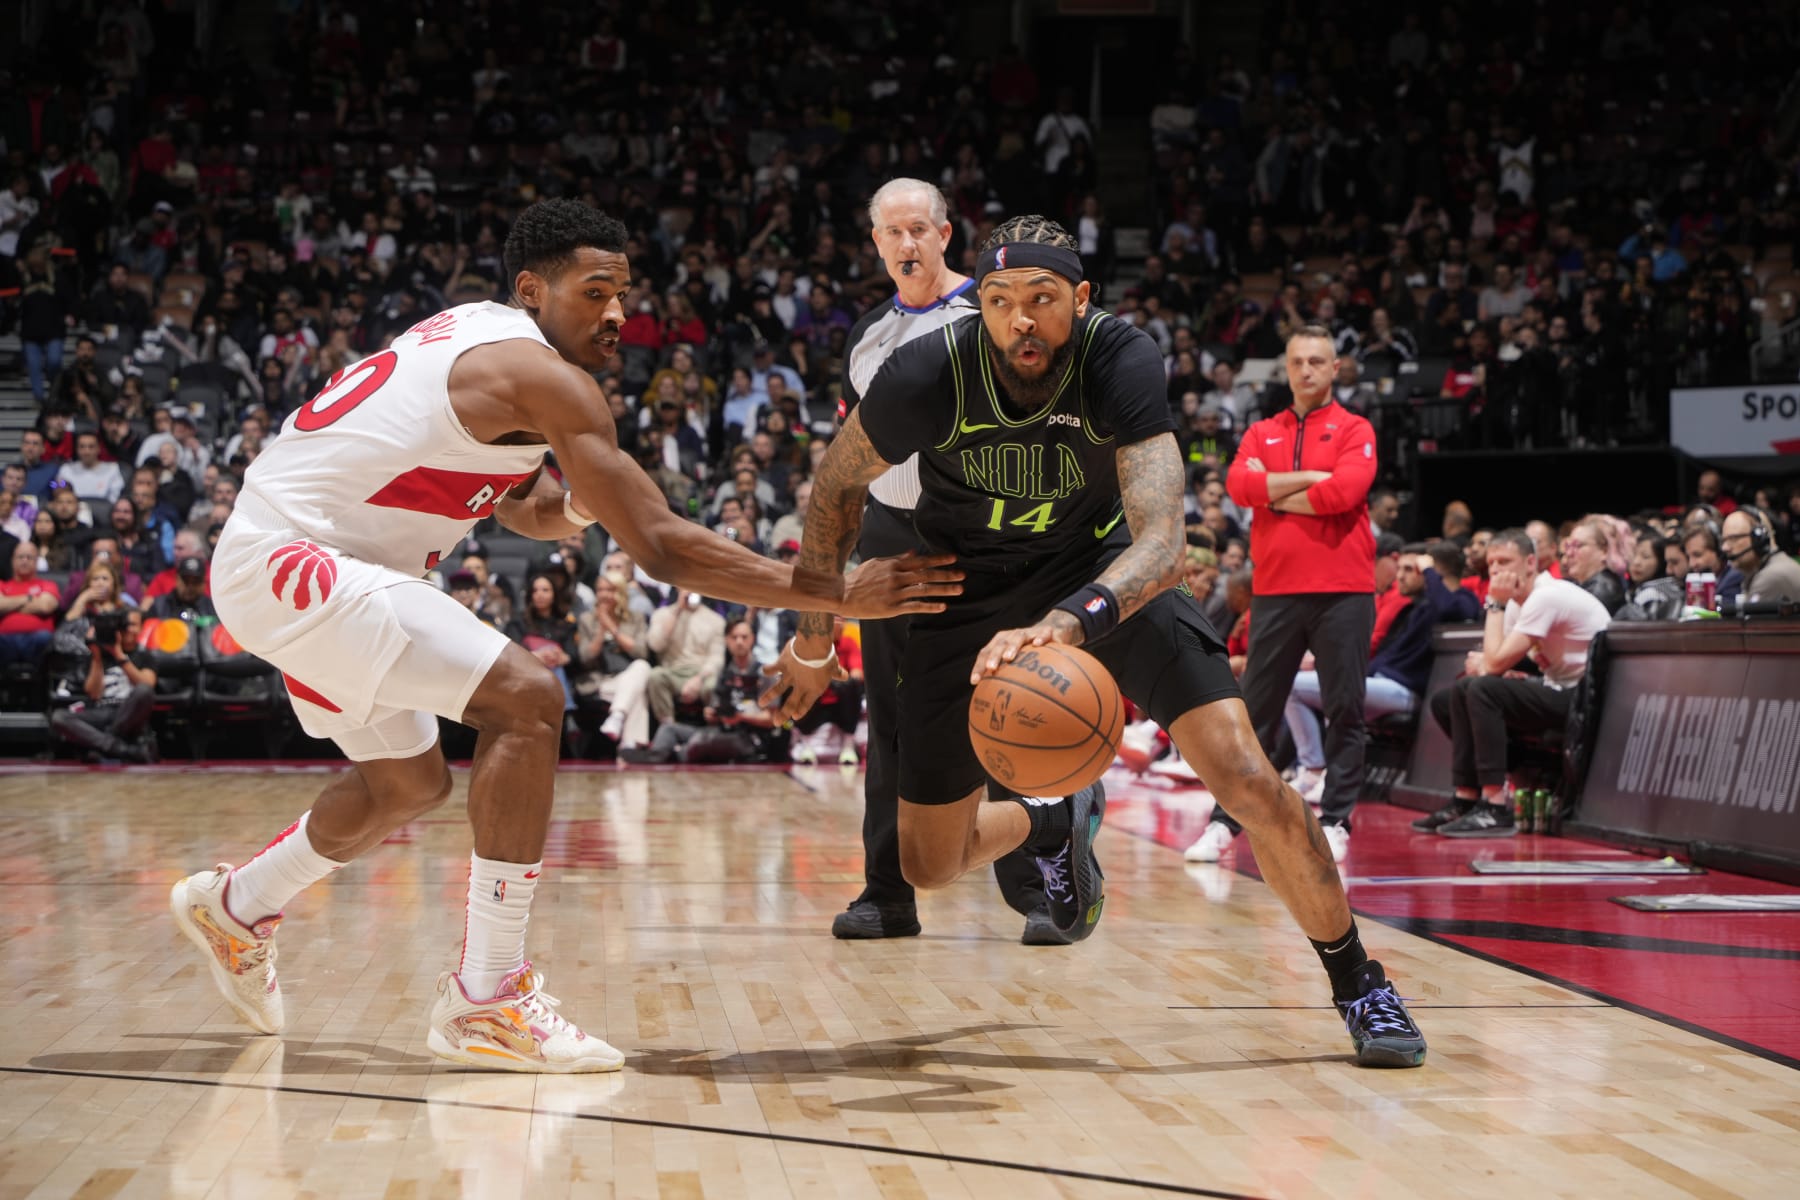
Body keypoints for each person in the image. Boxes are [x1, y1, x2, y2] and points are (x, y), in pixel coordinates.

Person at [168, 199, 960, 1075]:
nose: (618, 314)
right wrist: (840, 593)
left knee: (405, 783)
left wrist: (585, 498)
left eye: (623, 295)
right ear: (532, 290)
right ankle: (486, 997)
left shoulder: (478, 338)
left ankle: (238, 904)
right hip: (298, 561)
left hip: (304, 562)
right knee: (529, 699)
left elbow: (521, 506)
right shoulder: (547, 379)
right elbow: (661, 549)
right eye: (594, 293)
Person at [763, 216, 1427, 1067]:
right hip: (961, 585)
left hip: (1100, 572)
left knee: (1248, 776)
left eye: (1043, 300)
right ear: (980, 307)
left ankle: (1360, 983)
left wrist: (1076, 617)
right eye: (1001, 302)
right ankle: (1050, 814)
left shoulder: (1121, 357)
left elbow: (1162, 536)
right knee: (928, 865)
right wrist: (815, 640)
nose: (1022, 321)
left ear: (1079, 299)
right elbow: (833, 490)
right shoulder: (930, 367)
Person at [827, 178, 1053, 943]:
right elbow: (850, 457)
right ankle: (887, 891)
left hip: (984, 531)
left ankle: (1042, 888)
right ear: (876, 242)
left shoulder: (989, 312)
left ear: (947, 233)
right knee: (888, 714)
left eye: (919, 229)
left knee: (1008, 704)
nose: (907, 245)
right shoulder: (866, 335)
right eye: (892, 233)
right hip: (893, 534)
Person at [1188, 326, 1380, 866]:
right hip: (1274, 590)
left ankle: (1337, 820)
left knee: (1346, 709)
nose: (1307, 371)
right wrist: (1310, 481)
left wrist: (1275, 491)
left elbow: (1345, 493)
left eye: (1318, 361)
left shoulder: (1355, 427)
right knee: (1254, 715)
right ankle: (1225, 823)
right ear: (1287, 368)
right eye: (1298, 362)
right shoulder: (1260, 431)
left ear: (1335, 368)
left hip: (1344, 590)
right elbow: (1239, 488)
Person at [1417, 529, 1610, 837]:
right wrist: (1492, 664)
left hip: (1586, 698)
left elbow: (1491, 664)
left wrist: (1495, 603)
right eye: (1491, 563)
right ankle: (1466, 797)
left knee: (1481, 690)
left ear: (1530, 562)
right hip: (1555, 686)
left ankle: (1494, 805)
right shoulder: (1519, 603)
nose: (1496, 570)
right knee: (1451, 697)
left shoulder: (1546, 595)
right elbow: (1492, 663)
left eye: (1505, 561)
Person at [48, 603, 158, 763]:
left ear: (141, 628)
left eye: (132, 625)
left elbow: (147, 686)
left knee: (143, 691)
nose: (128, 629)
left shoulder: (145, 656)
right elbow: (94, 694)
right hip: (101, 710)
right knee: (59, 717)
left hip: (128, 712)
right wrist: (97, 656)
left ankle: (104, 745)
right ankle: (120, 748)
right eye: (124, 625)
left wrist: (119, 654)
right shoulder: (96, 656)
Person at [0, 542, 61, 666]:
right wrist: (29, 598)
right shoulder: (2, 585)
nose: (25, 561)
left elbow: (46, 606)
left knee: (45, 638)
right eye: (20, 557)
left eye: (29, 557)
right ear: (12, 560)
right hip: (4, 640)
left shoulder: (48, 584)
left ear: (36, 561)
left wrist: (9, 605)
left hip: (38, 639)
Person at [1722, 508, 1800, 604]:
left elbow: (1750, 618)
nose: (1725, 548)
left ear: (1758, 539)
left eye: (1733, 538)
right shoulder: (1772, 566)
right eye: (1724, 540)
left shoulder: (1770, 577)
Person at [1559, 517, 1626, 614]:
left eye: (1578, 545)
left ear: (1604, 551)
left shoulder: (1603, 590)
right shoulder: (1583, 585)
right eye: (1568, 546)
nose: (1569, 553)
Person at [1615, 534, 1682, 620]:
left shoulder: (1652, 594)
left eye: (1645, 557)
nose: (1636, 562)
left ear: (1661, 561)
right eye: (1634, 555)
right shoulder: (1635, 590)